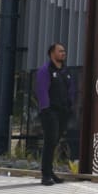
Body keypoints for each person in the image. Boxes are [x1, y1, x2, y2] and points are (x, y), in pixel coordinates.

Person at [34, 43, 76, 186]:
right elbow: (42, 90)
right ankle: (45, 175)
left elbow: (71, 89)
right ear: (52, 53)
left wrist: (70, 104)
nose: (63, 53)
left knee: (54, 142)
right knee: (50, 141)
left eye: (64, 51)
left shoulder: (65, 70)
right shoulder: (45, 70)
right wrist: (45, 109)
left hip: (63, 112)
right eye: (60, 51)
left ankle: (50, 172)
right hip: (50, 111)